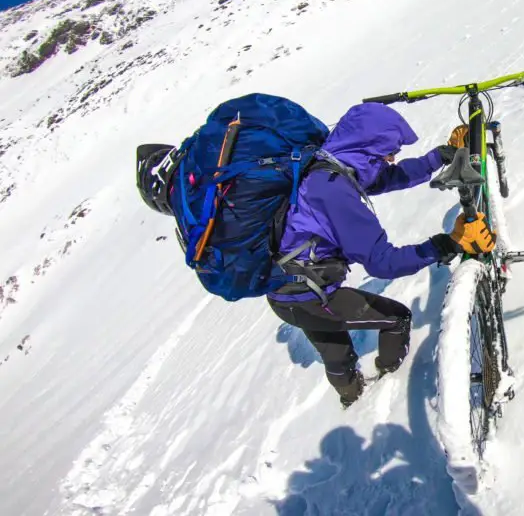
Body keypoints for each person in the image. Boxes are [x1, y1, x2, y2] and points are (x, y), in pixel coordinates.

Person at [136, 102, 497, 408]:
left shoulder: (324, 164)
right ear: (367, 146)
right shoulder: (331, 190)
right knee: (397, 319)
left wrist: (439, 157)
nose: (390, 158)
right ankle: (392, 378)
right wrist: (449, 243)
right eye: (387, 151)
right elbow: (383, 262)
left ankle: (350, 397)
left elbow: (386, 179)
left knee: (335, 351)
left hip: (284, 294)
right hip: (314, 297)